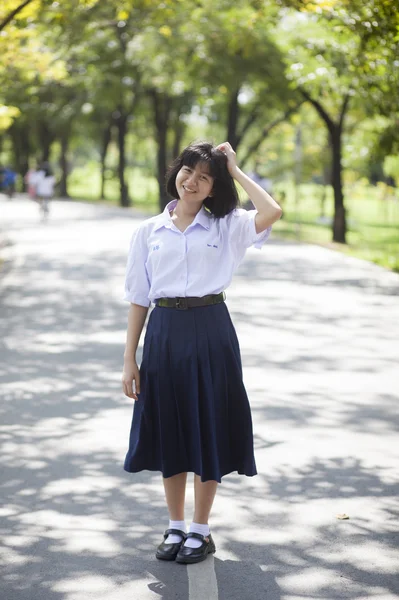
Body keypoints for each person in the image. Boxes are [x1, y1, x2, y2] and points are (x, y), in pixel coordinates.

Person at [122, 141, 282, 565]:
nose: (192, 181)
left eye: (204, 177)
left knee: (207, 425)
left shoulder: (226, 225)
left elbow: (272, 212)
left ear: (214, 187)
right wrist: (129, 359)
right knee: (170, 427)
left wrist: (236, 169)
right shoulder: (148, 232)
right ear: (176, 172)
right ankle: (175, 526)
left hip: (212, 330)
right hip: (164, 333)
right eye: (187, 171)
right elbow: (139, 298)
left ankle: (201, 529)